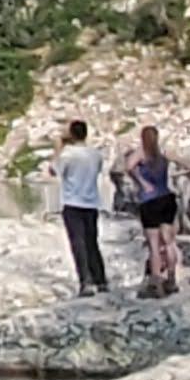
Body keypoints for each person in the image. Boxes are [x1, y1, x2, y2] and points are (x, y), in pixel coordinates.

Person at [126, 120, 184, 295]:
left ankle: (157, 282)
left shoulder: (141, 152)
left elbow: (128, 166)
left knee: (153, 244)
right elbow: (185, 162)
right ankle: (172, 279)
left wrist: (142, 182)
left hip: (149, 200)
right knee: (169, 242)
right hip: (166, 198)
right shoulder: (162, 153)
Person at [53, 117, 109, 291]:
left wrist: (58, 148)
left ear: (71, 134)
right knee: (92, 242)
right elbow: (98, 170)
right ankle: (101, 279)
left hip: (72, 202)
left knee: (78, 244)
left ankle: (85, 281)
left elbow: (55, 171)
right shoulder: (95, 154)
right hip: (91, 203)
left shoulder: (68, 154)